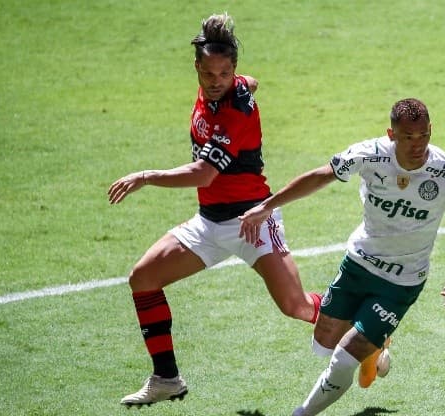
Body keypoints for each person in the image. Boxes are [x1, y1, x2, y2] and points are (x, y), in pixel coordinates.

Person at [107, 13, 321, 408]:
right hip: (208, 224)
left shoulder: (236, 110)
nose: (216, 81)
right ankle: (166, 378)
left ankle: (364, 328)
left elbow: (204, 174)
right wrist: (244, 84)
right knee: (143, 278)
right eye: (209, 73)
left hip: (252, 220)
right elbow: (251, 82)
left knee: (296, 306)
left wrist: (146, 176)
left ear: (233, 70)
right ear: (198, 69)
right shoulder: (225, 88)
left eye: (225, 73)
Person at [239, 98, 445, 415]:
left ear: (431, 130)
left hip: (402, 280)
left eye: (423, 136)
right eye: (408, 137)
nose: (417, 145)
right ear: (391, 134)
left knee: (343, 358)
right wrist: (267, 205)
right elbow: (322, 175)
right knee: (323, 343)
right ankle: (376, 347)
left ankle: (302, 412)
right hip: (359, 264)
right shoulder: (370, 155)